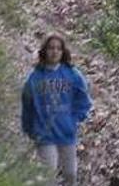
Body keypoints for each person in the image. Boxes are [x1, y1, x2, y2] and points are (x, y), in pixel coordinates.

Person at [22, 34, 92, 186]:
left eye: (58, 49)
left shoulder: (73, 74)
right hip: (44, 134)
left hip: (66, 132)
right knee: (47, 176)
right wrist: (29, 129)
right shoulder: (34, 78)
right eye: (51, 48)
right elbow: (27, 105)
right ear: (44, 51)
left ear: (63, 52)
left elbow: (84, 100)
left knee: (71, 174)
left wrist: (75, 119)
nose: (54, 52)